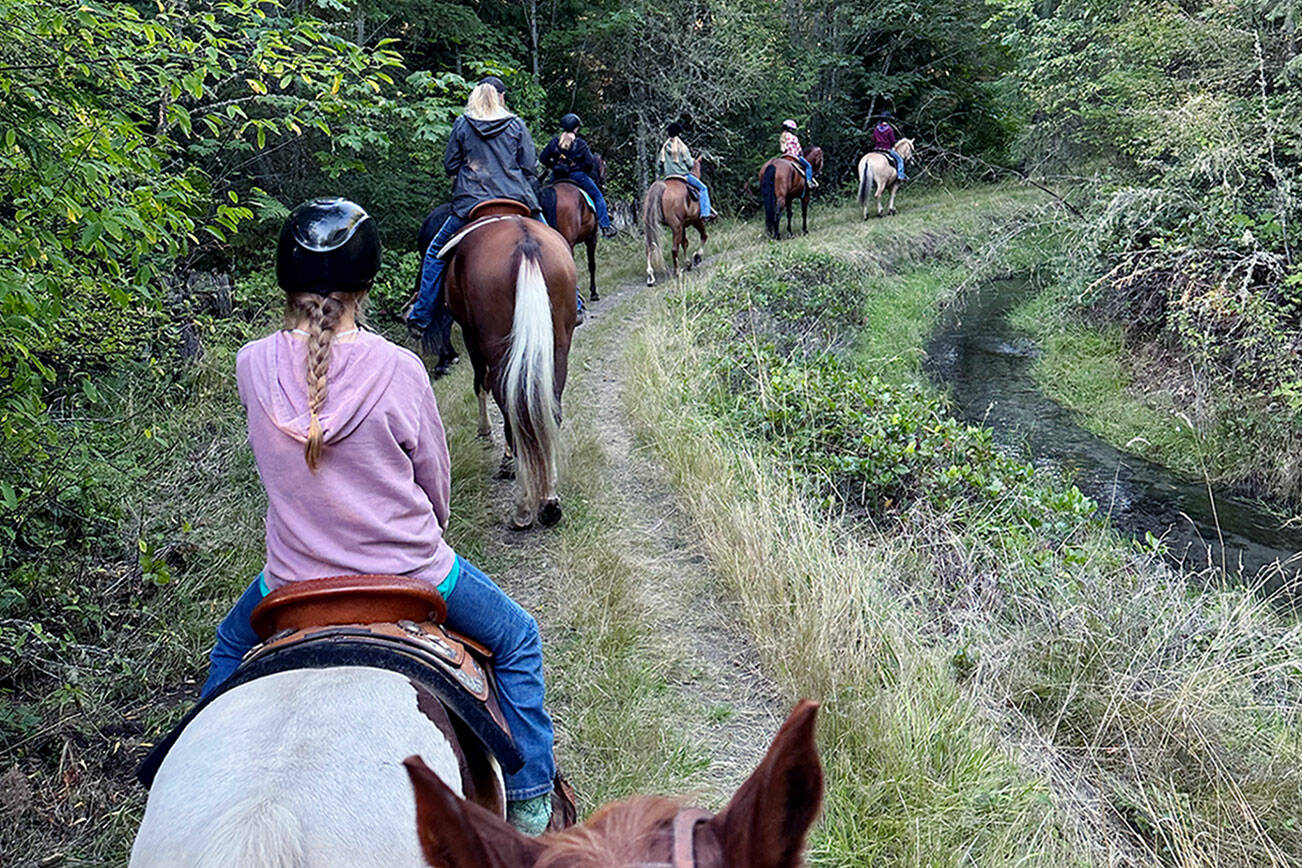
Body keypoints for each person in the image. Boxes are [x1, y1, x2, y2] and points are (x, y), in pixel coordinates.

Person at [201, 197, 558, 836]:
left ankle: (188, 758)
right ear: (368, 281)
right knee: (518, 638)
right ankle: (531, 794)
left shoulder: (251, 364)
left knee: (230, 644)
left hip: (289, 583)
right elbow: (435, 487)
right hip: (412, 573)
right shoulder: (399, 369)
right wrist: (424, 533)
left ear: (287, 280)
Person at [406, 76, 550, 375]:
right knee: (553, 241)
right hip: (516, 198)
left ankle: (420, 315)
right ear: (501, 97)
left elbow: (450, 164)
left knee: (434, 253)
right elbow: (529, 166)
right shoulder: (515, 124)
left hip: (472, 202)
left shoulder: (462, 124)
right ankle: (573, 302)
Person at [539, 113, 617, 238]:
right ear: (576, 128)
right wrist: (580, 170)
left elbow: (543, 158)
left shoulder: (554, 143)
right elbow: (589, 163)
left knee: (541, 196)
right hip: (577, 176)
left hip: (557, 177)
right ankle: (605, 226)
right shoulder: (581, 144)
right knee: (597, 196)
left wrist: (554, 166)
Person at [657, 122, 712, 219]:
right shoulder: (682, 147)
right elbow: (690, 164)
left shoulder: (664, 148)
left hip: (668, 177)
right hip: (683, 176)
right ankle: (706, 213)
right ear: (679, 133)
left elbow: (659, 165)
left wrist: (663, 174)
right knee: (703, 188)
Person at [779, 119, 818, 188]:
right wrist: (801, 154)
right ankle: (809, 182)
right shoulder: (794, 138)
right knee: (808, 166)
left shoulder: (782, 137)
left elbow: (783, 149)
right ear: (791, 129)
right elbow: (799, 149)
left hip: (785, 156)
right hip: (794, 156)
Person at [872, 111, 907, 181]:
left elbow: (873, 139)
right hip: (886, 149)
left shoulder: (876, 129)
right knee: (900, 160)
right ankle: (901, 176)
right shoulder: (889, 129)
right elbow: (892, 141)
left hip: (876, 149)